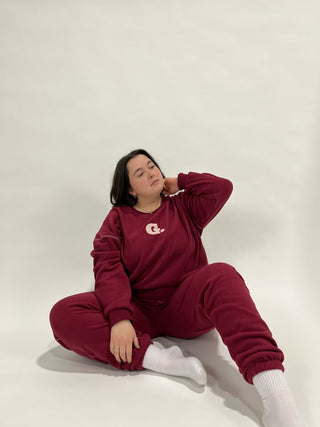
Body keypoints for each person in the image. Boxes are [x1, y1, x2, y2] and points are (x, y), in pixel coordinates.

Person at [50, 149, 303, 427]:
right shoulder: (118, 219)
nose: (151, 173)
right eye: (140, 173)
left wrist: (180, 181)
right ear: (130, 190)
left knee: (222, 273)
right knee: (64, 313)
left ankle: (276, 395)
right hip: (140, 313)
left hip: (186, 308)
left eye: (152, 166)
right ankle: (162, 360)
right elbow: (107, 268)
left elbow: (222, 188)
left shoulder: (184, 207)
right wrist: (120, 318)